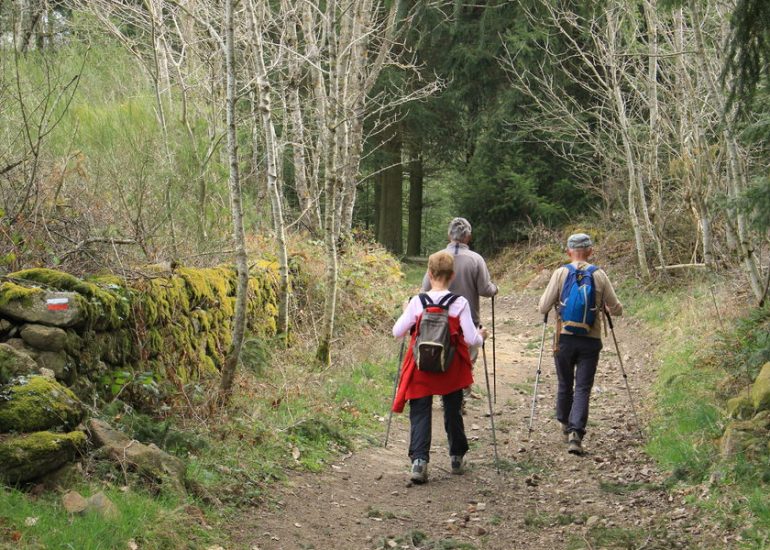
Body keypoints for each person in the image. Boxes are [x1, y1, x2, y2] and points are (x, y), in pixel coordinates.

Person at [392, 251, 487, 483]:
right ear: (452, 276)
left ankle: (419, 463)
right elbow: (471, 339)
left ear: (429, 273)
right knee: (453, 409)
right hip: (450, 367)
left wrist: (409, 311)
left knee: (420, 410)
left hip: (421, 366)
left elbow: (397, 332)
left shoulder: (417, 301)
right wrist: (482, 336)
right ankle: (456, 458)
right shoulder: (459, 303)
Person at [537, 233, 623, 455]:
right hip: (590, 341)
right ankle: (577, 433)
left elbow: (543, 306)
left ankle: (565, 422)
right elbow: (616, 307)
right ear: (590, 251)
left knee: (565, 383)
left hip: (564, 339)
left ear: (568, 251)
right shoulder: (599, 275)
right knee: (583, 387)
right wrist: (607, 307)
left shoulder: (560, 273)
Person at [421, 218, 498, 402]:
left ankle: (447, 391)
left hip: (437, 317)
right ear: (468, 237)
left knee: (442, 350)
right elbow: (485, 290)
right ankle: (460, 391)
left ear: (449, 235)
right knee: (467, 356)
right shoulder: (476, 259)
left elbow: (425, 288)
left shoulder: (436, 257)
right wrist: (496, 288)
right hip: (468, 317)